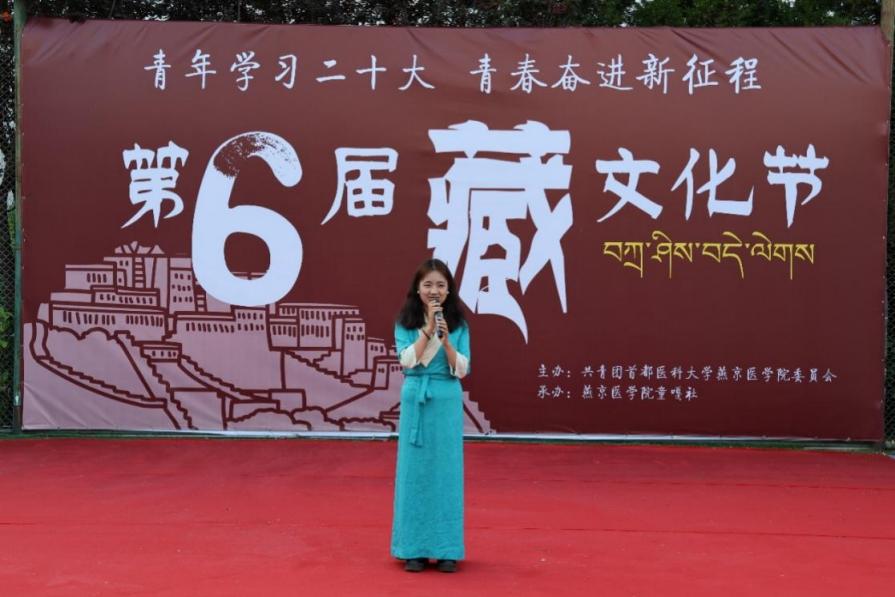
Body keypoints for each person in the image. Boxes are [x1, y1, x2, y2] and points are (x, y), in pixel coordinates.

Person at [391, 258, 471, 573]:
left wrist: (447, 342)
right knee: (415, 473)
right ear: (417, 288)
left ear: (449, 290)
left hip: (446, 397)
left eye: (440, 285)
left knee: (446, 472)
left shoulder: (459, 325)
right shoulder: (405, 322)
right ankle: (414, 549)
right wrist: (427, 331)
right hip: (416, 398)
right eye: (428, 285)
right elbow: (407, 361)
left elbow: (462, 368)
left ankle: (447, 549)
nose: (433, 290)